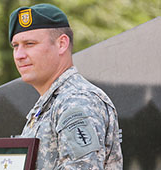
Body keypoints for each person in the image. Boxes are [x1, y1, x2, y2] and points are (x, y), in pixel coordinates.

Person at [8, 3, 123, 169]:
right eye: (15, 46)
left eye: (30, 44)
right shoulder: (52, 102)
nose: (19, 55)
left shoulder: (77, 101)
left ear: (61, 44)